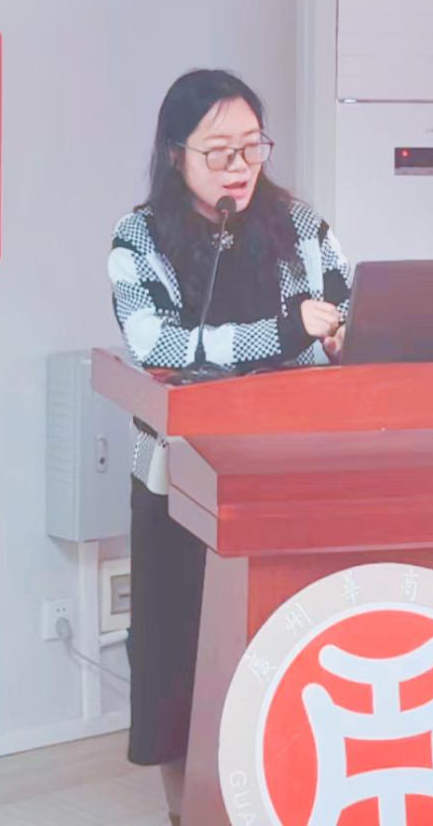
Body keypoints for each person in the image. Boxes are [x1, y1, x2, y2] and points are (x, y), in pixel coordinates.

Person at [108, 69, 352, 825]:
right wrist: (283, 333)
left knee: (288, 648)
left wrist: (340, 335)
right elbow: (160, 346)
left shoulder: (300, 226)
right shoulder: (139, 238)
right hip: (181, 478)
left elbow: (346, 307)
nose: (240, 166)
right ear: (174, 153)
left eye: (252, 146)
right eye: (219, 151)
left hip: (293, 471)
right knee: (180, 658)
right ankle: (191, 813)